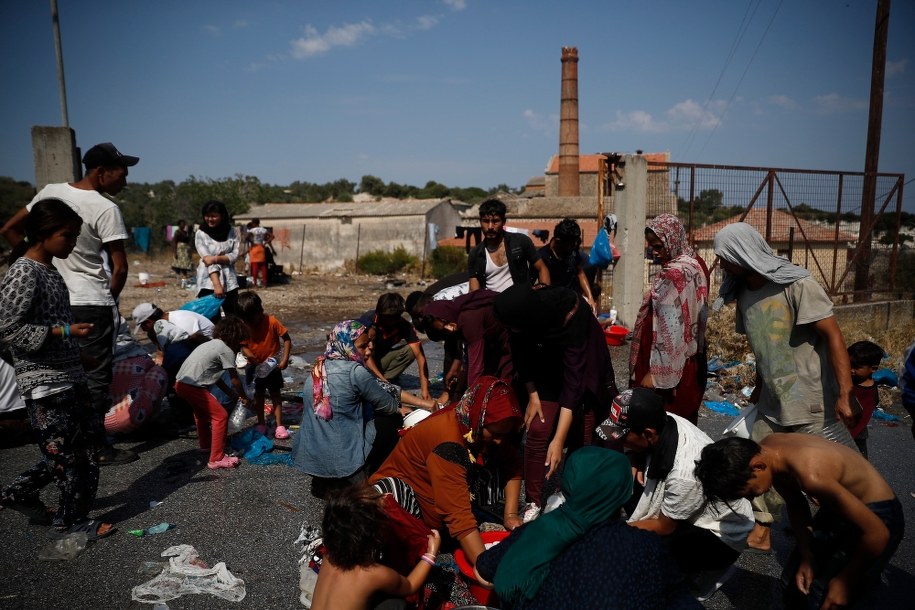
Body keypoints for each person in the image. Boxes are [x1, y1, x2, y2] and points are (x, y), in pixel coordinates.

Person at [713, 221, 859, 553]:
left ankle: (855, 537)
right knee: (762, 463)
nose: (721, 264)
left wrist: (845, 392)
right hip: (772, 401)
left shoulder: (796, 283)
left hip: (810, 400)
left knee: (825, 477)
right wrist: (759, 386)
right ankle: (764, 527)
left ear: (743, 253)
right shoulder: (745, 292)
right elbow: (764, 345)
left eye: (725, 257)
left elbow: (833, 335)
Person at [0, 142, 140, 466]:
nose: (126, 182)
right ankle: (93, 445)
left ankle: (67, 442)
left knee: (64, 374)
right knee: (93, 376)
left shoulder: (50, 192)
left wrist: (37, 260)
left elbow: (10, 228)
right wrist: (108, 301)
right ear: (101, 172)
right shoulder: (105, 208)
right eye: (123, 174)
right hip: (91, 301)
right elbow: (119, 267)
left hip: (53, 299)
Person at [0, 199, 114, 540]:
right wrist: (64, 332)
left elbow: (48, 324)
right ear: (44, 234)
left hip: (69, 376)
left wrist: (79, 355)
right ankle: (72, 521)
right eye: (68, 235)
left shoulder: (50, 270)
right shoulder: (24, 272)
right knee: (68, 458)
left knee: (77, 451)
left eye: (76, 235)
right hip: (44, 384)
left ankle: (18, 493)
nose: (73, 243)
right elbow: (6, 329)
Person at [474, 446, 700, 610]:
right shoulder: (646, 547)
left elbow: (483, 567)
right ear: (622, 494)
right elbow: (680, 597)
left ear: (569, 487)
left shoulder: (537, 531)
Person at [696, 435, 904, 610]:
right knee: (796, 581)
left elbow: (878, 533)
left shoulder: (811, 475)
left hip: (877, 516)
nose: (753, 497)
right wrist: (806, 554)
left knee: (831, 594)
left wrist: (845, 582)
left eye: (751, 492)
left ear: (757, 466)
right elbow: (796, 504)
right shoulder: (768, 450)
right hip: (839, 508)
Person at [598, 389, 753, 582]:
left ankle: (705, 574)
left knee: (649, 567)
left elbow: (665, 526)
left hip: (718, 533)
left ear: (648, 434)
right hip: (688, 499)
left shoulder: (685, 473)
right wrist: (634, 456)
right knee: (627, 478)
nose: (619, 442)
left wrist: (611, 535)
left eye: (621, 437)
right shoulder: (662, 420)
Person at [369, 376, 524, 568]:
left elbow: (513, 464)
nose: (500, 440)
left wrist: (510, 515)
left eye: (505, 434)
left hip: (440, 494)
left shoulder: (475, 423)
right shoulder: (448, 444)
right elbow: (458, 516)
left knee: (493, 461)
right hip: (408, 499)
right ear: (478, 420)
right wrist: (486, 568)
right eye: (495, 434)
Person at [494, 284, 617, 523]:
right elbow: (521, 357)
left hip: (582, 368)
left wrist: (559, 440)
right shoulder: (521, 317)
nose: (511, 330)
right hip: (545, 366)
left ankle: (566, 493)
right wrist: (532, 395)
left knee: (583, 428)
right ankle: (533, 500)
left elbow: (573, 385)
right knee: (538, 428)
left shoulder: (570, 315)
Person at [292, 320, 407, 495]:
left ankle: (325, 480)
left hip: (311, 459)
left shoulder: (317, 368)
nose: (370, 348)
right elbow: (388, 405)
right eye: (363, 346)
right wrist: (401, 409)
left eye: (370, 342)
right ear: (346, 346)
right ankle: (370, 473)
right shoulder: (355, 371)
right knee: (392, 419)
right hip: (344, 461)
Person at [630, 214, 709, 424]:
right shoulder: (695, 262)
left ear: (672, 239)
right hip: (690, 358)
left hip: (667, 364)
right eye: (651, 246)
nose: (654, 252)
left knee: (662, 421)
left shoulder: (675, 274)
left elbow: (670, 331)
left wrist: (655, 373)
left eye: (658, 246)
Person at [311, 484, 442, 610]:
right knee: (396, 604)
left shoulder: (329, 555)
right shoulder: (372, 574)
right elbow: (410, 585)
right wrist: (430, 554)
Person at [174, 317, 251, 469]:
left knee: (201, 414)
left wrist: (231, 394)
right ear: (235, 336)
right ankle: (216, 458)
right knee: (220, 416)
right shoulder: (226, 350)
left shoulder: (210, 344)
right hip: (193, 387)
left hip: (180, 384)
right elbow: (234, 379)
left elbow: (215, 377)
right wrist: (243, 396)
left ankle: (206, 445)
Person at [420, 289, 512, 393]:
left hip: (510, 336)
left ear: (446, 313)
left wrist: (469, 396)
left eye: (447, 323)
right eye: (444, 330)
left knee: (504, 383)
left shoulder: (468, 319)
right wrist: (455, 369)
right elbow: (465, 354)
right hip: (496, 340)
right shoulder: (456, 315)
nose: (450, 328)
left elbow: (476, 365)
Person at [237, 291, 292, 439]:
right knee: (258, 396)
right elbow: (243, 346)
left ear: (259, 311)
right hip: (254, 367)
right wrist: (250, 356)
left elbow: (286, 339)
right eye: (246, 319)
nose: (250, 322)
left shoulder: (272, 321)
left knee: (275, 394)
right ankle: (261, 422)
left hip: (272, 366)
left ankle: (279, 425)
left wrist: (285, 359)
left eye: (251, 318)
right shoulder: (245, 326)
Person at [467, 198, 549, 292]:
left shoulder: (520, 241)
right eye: (485, 221)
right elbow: (474, 291)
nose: (490, 227)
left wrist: (544, 293)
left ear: (504, 222)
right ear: (480, 222)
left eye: (495, 221)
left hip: (520, 299)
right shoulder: (475, 254)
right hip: (491, 303)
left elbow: (542, 268)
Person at [104, 316, 168, 436]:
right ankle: (150, 421)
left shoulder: (94, 358)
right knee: (159, 372)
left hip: (97, 425)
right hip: (129, 420)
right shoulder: (140, 358)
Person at [362, 293, 432, 400]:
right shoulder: (368, 321)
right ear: (379, 313)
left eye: (394, 317)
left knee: (411, 350)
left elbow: (420, 358)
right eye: (387, 317)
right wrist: (384, 382)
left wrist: (425, 390)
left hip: (382, 359)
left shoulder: (404, 325)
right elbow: (365, 355)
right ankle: (377, 380)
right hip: (362, 361)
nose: (390, 321)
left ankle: (385, 378)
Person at [535, 218, 596, 311]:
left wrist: (590, 298)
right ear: (558, 241)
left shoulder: (572, 251)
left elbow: (580, 272)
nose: (573, 247)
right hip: (556, 305)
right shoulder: (542, 257)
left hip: (575, 300)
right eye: (570, 244)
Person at [195, 200, 241, 322]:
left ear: (222, 216)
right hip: (208, 282)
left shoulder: (232, 232)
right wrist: (217, 285)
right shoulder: (201, 233)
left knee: (233, 317)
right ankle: (214, 342)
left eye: (214, 216)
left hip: (229, 281)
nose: (210, 219)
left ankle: (232, 341)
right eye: (207, 216)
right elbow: (207, 261)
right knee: (211, 320)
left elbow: (235, 255)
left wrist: (215, 258)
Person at [846, 340, 884, 459]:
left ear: (873, 368)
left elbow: (864, 417)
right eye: (849, 365)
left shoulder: (870, 393)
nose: (851, 370)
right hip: (842, 431)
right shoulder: (846, 381)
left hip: (857, 435)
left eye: (856, 367)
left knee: (859, 465)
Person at [245, 218, 273, 288]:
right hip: (261, 248)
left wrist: (252, 242)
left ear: (253, 223)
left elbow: (246, 238)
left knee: (255, 267)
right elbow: (272, 236)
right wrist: (265, 243)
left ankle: (254, 284)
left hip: (254, 248)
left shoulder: (252, 230)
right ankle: (265, 284)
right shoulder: (264, 230)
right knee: (263, 267)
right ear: (259, 223)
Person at [171, 219, 194, 284]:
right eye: (182, 224)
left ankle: (184, 277)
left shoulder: (186, 233)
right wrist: (175, 252)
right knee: (179, 265)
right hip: (180, 250)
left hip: (186, 251)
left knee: (186, 264)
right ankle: (179, 279)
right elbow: (174, 242)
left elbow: (188, 240)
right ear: (179, 225)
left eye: (184, 224)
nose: (183, 225)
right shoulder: (177, 232)